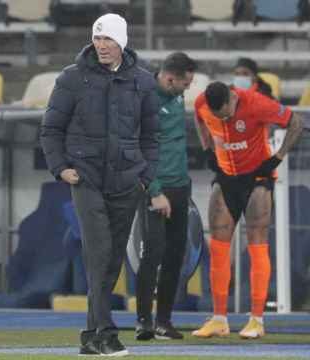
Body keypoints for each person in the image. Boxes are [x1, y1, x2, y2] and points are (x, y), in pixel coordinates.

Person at [40, 13, 159, 356]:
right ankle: (106, 333)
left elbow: (153, 137)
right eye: (97, 38)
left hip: (127, 181)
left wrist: (145, 176)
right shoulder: (72, 78)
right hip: (86, 178)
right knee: (100, 253)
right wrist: (60, 168)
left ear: (122, 42)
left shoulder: (144, 81)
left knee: (111, 261)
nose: (102, 45)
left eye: (108, 39)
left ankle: (91, 336)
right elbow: (50, 129)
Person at [192, 82, 304, 339]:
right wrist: (207, 148)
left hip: (257, 179)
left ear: (232, 99)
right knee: (219, 246)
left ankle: (256, 320)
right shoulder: (201, 104)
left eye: (227, 115)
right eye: (219, 118)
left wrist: (277, 157)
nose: (225, 120)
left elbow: (296, 122)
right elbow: (199, 120)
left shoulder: (257, 104)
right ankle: (219, 319)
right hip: (226, 178)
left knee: (257, 243)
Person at [134, 52, 196, 341]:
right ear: (170, 79)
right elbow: (139, 148)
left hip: (181, 186)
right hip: (155, 189)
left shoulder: (176, 95)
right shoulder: (146, 99)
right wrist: (155, 191)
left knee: (174, 256)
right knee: (152, 253)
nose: (187, 90)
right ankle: (143, 321)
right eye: (184, 84)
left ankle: (164, 321)